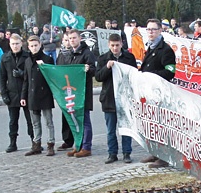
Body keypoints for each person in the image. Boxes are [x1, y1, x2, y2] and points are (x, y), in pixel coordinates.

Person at [138, 18, 177, 167]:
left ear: (160, 31)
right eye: (148, 29)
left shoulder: (165, 49)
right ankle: (155, 153)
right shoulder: (150, 48)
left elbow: (170, 72)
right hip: (149, 93)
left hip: (161, 93)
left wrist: (150, 75)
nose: (150, 32)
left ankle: (165, 157)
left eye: (153, 29)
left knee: (162, 126)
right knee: (152, 125)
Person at [95, 32, 137, 164]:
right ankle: (112, 153)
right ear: (109, 45)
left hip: (125, 98)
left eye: (117, 45)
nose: (115, 48)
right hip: (109, 98)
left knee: (126, 128)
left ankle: (126, 153)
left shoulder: (129, 57)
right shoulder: (103, 58)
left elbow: (134, 75)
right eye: (112, 45)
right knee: (110, 130)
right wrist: (107, 67)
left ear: (121, 44)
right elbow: (98, 77)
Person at [56, 29, 97, 157]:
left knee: (84, 120)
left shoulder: (86, 53)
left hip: (83, 93)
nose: (72, 40)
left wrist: (88, 69)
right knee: (75, 121)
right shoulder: (69, 54)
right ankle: (77, 145)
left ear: (80, 39)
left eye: (74, 38)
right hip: (72, 94)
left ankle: (86, 146)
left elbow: (94, 71)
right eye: (70, 38)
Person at [21, 35, 56, 156]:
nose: (34, 48)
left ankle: (50, 144)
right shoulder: (27, 60)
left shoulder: (47, 59)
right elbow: (26, 80)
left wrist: (44, 67)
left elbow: (53, 76)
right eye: (31, 46)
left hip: (45, 94)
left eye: (36, 45)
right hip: (32, 95)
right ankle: (36, 144)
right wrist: (23, 97)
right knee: (35, 122)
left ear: (40, 45)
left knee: (48, 121)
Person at [0, 33, 32, 152]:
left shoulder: (27, 56)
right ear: (10, 44)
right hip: (12, 93)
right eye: (13, 44)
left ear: (21, 43)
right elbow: (2, 78)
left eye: (17, 43)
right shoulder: (5, 58)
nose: (15, 46)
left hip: (26, 92)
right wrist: (4, 94)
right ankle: (13, 142)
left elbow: (32, 74)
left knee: (30, 119)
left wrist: (22, 74)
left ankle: (34, 141)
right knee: (13, 120)